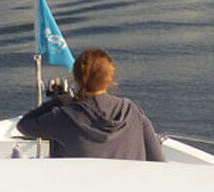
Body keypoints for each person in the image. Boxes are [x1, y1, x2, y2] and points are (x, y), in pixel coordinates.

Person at [16, 48, 166, 162]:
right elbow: (158, 160)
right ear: (110, 79)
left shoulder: (63, 117)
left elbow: (24, 125)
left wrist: (60, 101)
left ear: (76, 78)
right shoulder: (133, 112)